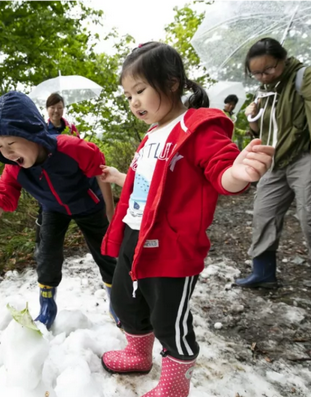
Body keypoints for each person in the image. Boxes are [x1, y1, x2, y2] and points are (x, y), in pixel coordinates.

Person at [98, 42, 274, 397]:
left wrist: (237, 171)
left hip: (171, 245)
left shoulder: (198, 126)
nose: (133, 102)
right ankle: (137, 353)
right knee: (124, 299)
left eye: (140, 90)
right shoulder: (151, 134)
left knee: (168, 317)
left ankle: (175, 385)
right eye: (128, 94)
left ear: (172, 82)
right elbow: (152, 181)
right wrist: (120, 177)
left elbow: (219, 170)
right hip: (135, 232)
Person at [0, 91, 119, 330]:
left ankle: (117, 300)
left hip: (87, 202)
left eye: (11, 143)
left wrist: (110, 212)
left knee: (105, 251)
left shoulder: (69, 147)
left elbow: (100, 171)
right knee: (46, 255)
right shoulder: (14, 168)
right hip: (52, 208)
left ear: (31, 134)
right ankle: (47, 305)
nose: (6, 153)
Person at [235, 38, 311, 300]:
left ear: (283, 59)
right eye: (256, 73)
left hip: (307, 155)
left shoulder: (308, 77)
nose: (263, 76)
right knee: (263, 213)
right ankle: (263, 272)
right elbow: (265, 131)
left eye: (269, 69)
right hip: (275, 160)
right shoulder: (266, 89)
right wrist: (254, 118)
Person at [34, 93, 82, 250]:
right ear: (47, 109)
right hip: (48, 179)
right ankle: (40, 246)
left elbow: (80, 150)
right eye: (52, 107)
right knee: (45, 213)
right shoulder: (42, 130)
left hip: (68, 179)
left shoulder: (70, 129)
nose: (56, 111)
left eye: (60, 108)